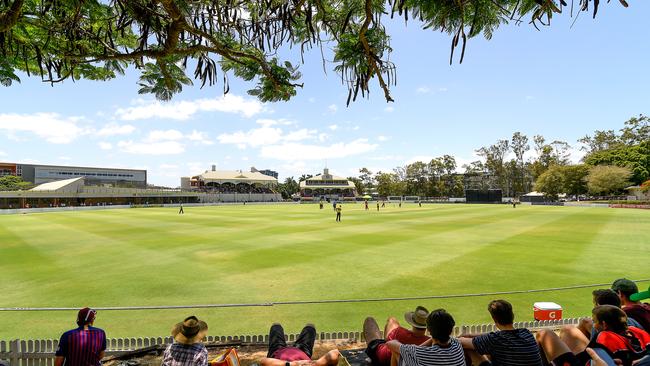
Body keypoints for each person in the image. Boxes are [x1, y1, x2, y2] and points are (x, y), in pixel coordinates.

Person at [459, 299, 543, 366]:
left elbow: (462, 342)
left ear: (494, 320)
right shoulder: (526, 333)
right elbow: (498, 335)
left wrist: (466, 337)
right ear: (512, 316)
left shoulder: (495, 339)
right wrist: (471, 335)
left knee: (470, 348)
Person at [386, 309, 465, 366]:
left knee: (396, 351)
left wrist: (416, 348)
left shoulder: (420, 353)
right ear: (450, 330)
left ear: (429, 331)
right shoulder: (457, 345)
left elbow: (390, 344)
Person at [363, 306, 432, 366]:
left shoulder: (399, 332)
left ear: (412, 322)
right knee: (392, 321)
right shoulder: (430, 342)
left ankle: (372, 357)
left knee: (370, 320)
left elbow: (388, 341)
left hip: (382, 358)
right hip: (400, 360)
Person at [259, 323, 339, 366]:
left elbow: (263, 361)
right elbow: (335, 353)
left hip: (277, 351)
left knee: (276, 327)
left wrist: (292, 364)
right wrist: (316, 363)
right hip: (302, 350)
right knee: (310, 328)